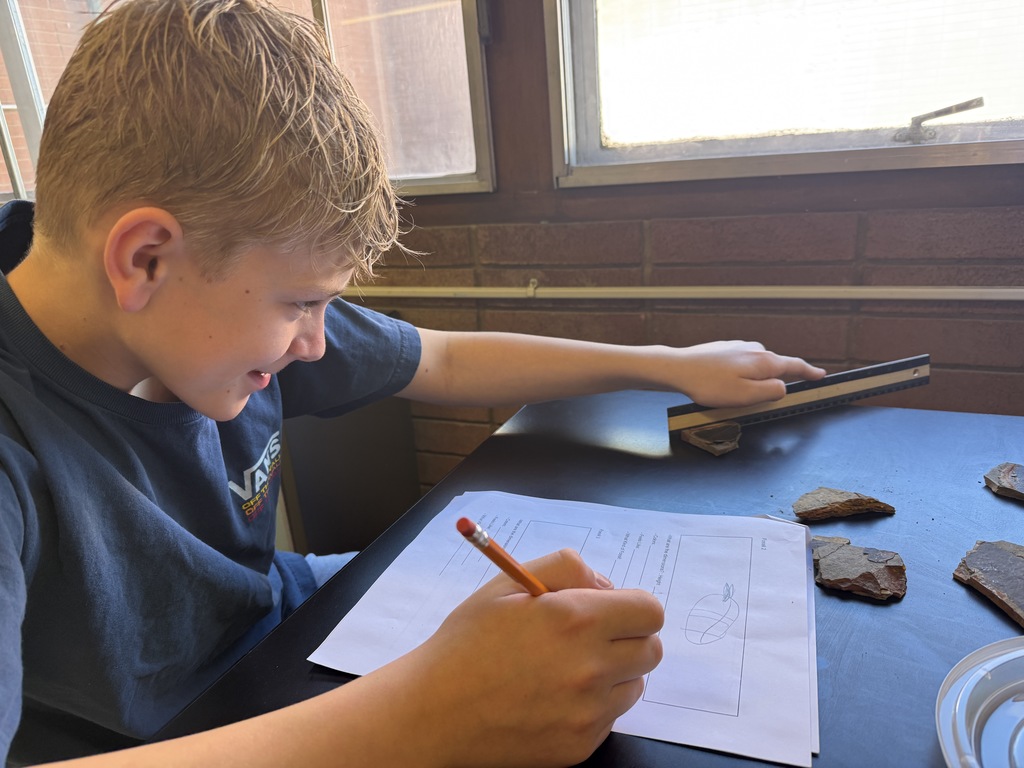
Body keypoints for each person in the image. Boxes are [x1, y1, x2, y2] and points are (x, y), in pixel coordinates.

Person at [0, 1, 826, 765]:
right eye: (301, 303)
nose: (316, 345)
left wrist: (666, 365)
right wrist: (424, 708)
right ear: (146, 258)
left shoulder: (197, 311)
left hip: (282, 623)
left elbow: (443, 359)